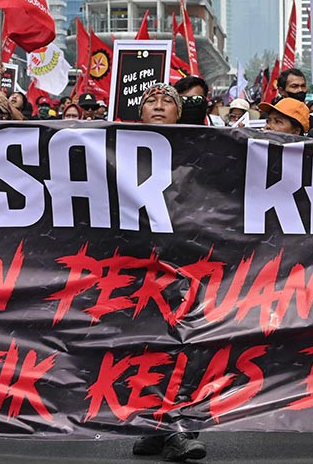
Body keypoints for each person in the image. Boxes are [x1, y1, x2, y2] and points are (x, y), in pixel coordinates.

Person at [131, 83, 205, 462]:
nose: (159, 106)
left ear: (179, 112)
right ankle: (155, 425)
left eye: (167, 101)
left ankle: (181, 429)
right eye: (150, 100)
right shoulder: (116, 151)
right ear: (139, 113)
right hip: (138, 266)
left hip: (186, 264)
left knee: (185, 344)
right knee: (146, 346)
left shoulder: (201, 150)